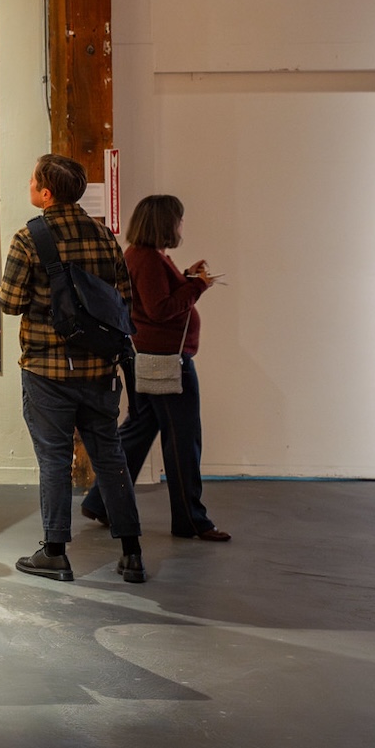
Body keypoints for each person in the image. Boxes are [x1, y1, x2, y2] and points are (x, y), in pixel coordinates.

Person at [0, 153, 149, 583]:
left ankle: (56, 553)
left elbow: (10, 304)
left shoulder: (30, 238)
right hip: (99, 369)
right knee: (111, 456)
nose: (29, 184)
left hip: (47, 371)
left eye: (32, 180)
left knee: (54, 459)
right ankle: (132, 552)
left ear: (46, 193)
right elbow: (123, 303)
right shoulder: (104, 236)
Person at [82, 195, 230, 542]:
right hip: (167, 363)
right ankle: (191, 520)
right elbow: (161, 308)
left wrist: (188, 277)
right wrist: (197, 286)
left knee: (138, 431)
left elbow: (158, 298)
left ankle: (102, 500)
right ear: (165, 224)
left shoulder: (145, 256)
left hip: (150, 358)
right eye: (178, 220)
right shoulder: (148, 260)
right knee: (182, 441)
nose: (181, 227)